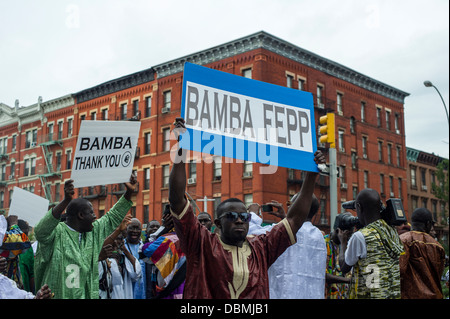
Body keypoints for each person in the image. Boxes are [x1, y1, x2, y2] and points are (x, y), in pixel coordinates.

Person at [168, 117, 325, 299]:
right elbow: (177, 199)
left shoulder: (262, 248)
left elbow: (294, 219)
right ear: (218, 223)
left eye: (245, 216)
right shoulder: (202, 243)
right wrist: (182, 147)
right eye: (232, 216)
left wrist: (311, 175)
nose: (240, 220)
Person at [34, 175, 136, 299]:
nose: (95, 217)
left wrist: (129, 192)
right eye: (92, 212)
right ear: (81, 215)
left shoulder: (93, 232)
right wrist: (66, 201)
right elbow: (40, 232)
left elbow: (112, 217)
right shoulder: (57, 232)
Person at [249, 195, 327, 299]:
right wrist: (286, 218)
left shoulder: (279, 231)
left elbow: (251, 233)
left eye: (290, 205)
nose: (288, 207)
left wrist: (253, 214)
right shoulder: (319, 236)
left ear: (297, 207)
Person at [338, 188, 404, 299]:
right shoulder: (392, 231)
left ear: (359, 207)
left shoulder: (360, 236)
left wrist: (343, 243)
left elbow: (344, 268)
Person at [0, 216, 52, 299]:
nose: (26, 237)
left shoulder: (27, 250)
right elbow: (22, 242)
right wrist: (14, 224)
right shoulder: (7, 246)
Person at [399, 207, 446, 299]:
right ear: (428, 224)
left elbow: (399, 270)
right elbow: (438, 274)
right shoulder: (437, 246)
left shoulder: (402, 240)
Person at [140, 206, 186, 299]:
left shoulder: (166, 241)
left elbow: (142, 252)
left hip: (170, 294)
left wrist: (163, 228)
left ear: (166, 219)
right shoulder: (192, 238)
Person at [324, 213, 352, 299]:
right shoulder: (323, 244)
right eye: (347, 234)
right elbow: (323, 275)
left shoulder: (346, 246)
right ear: (338, 231)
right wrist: (348, 281)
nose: (349, 237)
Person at [124, 217, 146, 299]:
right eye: (132, 228)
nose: (135, 231)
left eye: (138, 228)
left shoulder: (144, 247)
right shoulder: (121, 246)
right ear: (126, 229)